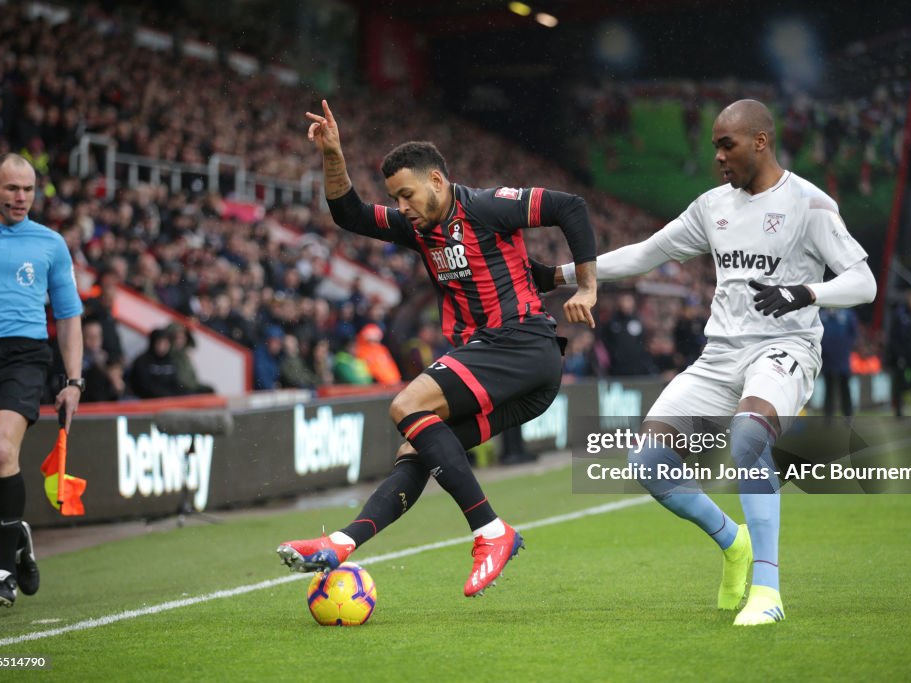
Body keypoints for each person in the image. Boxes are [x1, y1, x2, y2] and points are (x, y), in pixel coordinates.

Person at [535, 100, 875, 625]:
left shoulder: (810, 204)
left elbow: (863, 282)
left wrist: (805, 293)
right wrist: (557, 276)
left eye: (727, 145)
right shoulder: (712, 206)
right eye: (715, 145)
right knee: (647, 462)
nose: (718, 156)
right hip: (720, 355)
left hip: (782, 348)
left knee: (748, 437)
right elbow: (646, 252)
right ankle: (732, 541)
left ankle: (768, 590)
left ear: (760, 142)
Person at [277, 100, 598, 597]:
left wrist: (587, 286)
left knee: (407, 404)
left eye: (406, 194)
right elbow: (350, 214)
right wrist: (333, 155)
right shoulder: (419, 227)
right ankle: (341, 543)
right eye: (395, 197)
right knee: (418, 448)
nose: (400, 206)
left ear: (437, 181)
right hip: (522, 375)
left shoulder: (489, 206)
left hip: (518, 343)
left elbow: (569, 207)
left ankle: (491, 531)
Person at [0, 153, 84, 608]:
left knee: (0, 452)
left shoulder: (49, 243)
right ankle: (21, 541)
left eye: (28, 189)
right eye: (12, 188)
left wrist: (74, 380)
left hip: (24, 355)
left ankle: (4, 572)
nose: (21, 197)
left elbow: (69, 317)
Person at [819, 307, 859, 419]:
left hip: (843, 357)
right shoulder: (822, 315)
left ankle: (848, 415)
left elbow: (853, 333)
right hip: (827, 358)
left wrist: (845, 347)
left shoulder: (847, 314)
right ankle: (828, 417)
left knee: (845, 387)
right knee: (829, 388)